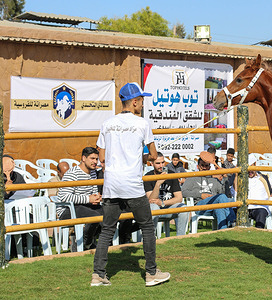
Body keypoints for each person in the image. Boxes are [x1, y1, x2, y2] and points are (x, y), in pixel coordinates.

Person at [92, 82, 170, 287]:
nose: (143, 104)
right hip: (132, 185)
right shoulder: (142, 124)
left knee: (107, 229)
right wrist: (143, 158)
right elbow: (154, 156)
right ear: (134, 102)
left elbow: (102, 156)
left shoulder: (107, 123)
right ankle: (151, 273)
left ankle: (98, 275)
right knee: (147, 226)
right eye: (141, 100)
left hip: (111, 185)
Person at [57, 147, 103, 251]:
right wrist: (88, 199)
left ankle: (88, 241)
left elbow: (93, 192)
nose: (95, 162)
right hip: (67, 209)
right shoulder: (72, 173)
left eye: (96, 159)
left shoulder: (92, 173)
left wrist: (96, 198)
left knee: (108, 214)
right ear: (83, 158)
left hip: (85, 206)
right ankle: (85, 244)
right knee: (95, 217)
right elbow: (64, 197)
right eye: (92, 158)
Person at [181, 156, 235, 229]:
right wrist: (200, 195)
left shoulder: (214, 180)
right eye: (202, 165)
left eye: (206, 166)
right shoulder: (192, 178)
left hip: (214, 206)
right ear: (198, 166)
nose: (204, 168)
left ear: (209, 167)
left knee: (220, 208)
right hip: (199, 206)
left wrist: (225, 178)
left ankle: (223, 232)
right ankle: (233, 222)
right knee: (223, 198)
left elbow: (224, 194)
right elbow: (183, 192)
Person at [144, 152, 189, 236]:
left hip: (168, 207)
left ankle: (180, 238)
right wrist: (158, 184)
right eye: (158, 163)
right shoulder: (148, 176)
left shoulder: (171, 174)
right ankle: (151, 239)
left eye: (163, 162)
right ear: (151, 163)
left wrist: (163, 203)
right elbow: (151, 200)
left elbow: (179, 198)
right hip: (154, 208)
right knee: (154, 207)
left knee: (183, 208)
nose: (161, 166)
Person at [247, 154, 272, 228]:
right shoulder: (242, 178)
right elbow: (234, 192)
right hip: (245, 206)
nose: (249, 171)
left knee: (261, 212)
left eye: (251, 166)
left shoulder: (264, 177)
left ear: (255, 164)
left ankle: (258, 235)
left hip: (260, 206)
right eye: (248, 168)